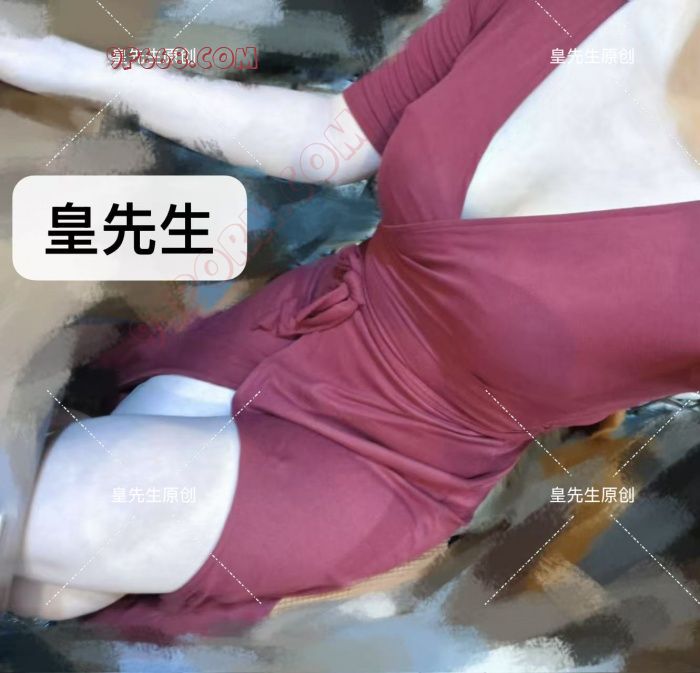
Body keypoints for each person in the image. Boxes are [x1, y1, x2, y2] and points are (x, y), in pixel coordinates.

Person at [2, 0, 699, 636]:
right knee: (50, 581)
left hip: (394, 457)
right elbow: (334, 135)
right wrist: (69, 66)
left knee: (63, 526)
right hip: (294, 319)